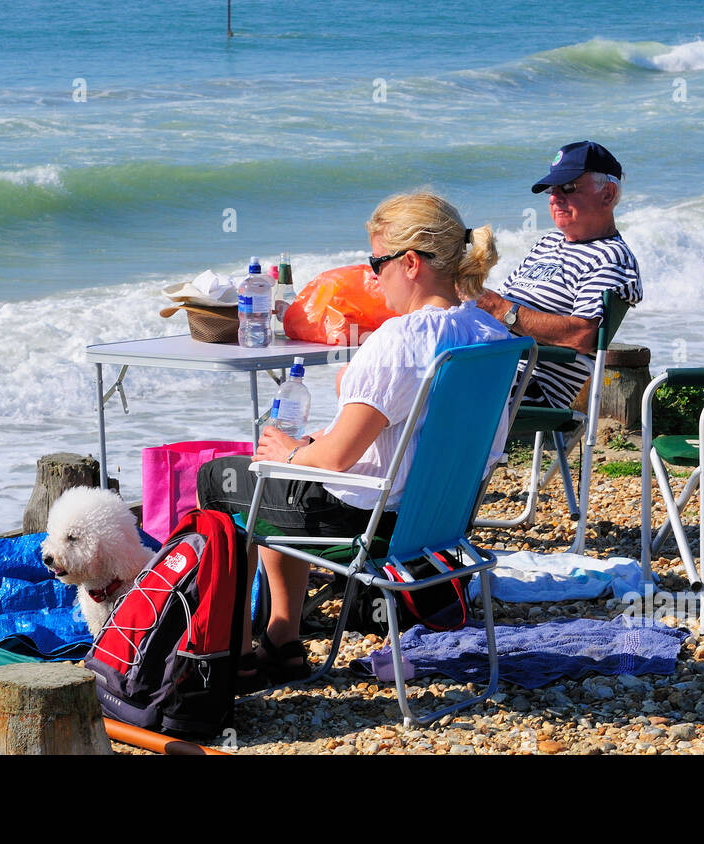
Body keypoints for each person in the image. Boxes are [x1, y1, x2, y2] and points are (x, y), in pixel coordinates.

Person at [197, 192, 511, 690]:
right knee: (278, 479)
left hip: (373, 529)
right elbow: (423, 428)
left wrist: (294, 452)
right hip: (436, 526)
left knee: (224, 477)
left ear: (410, 263)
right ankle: (280, 641)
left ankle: (232, 657)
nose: (370, 276)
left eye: (376, 262)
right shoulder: (489, 333)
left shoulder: (400, 340)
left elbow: (338, 458)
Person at [477, 141, 642, 409]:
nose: (555, 198)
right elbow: (496, 306)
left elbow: (581, 335)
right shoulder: (547, 244)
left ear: (607, 194)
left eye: (568, 188)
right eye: (552, 190)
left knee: (416, 383)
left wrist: (501, 309)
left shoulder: (610, 256)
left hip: (530, 386)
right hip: (497, 367)